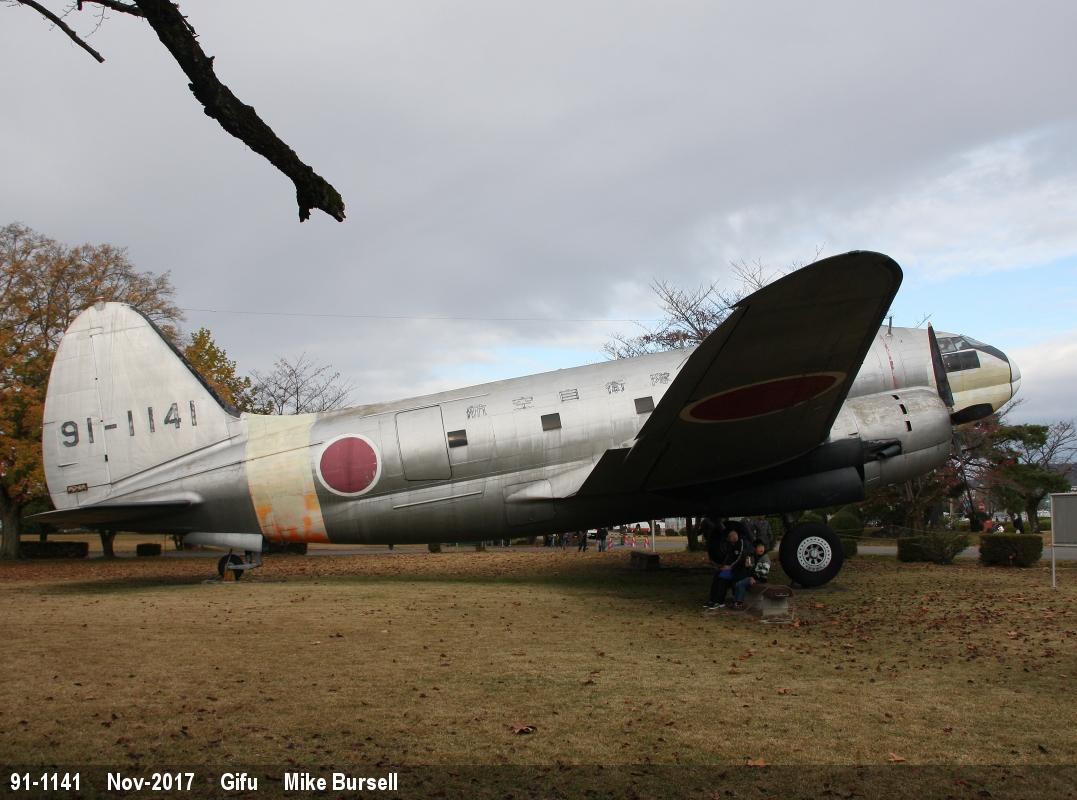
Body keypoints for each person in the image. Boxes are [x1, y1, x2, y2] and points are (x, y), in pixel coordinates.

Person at [704, 519, 746, 610]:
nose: (733, 538)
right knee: (717, 576)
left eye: (734, 535)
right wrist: (721, 566)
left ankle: (719, 601)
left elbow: (740, 559)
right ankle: (713, 600)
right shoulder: (730, 545)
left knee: (723, 578)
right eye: (730, 537)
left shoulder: (741, 543)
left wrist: (730, 567)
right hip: (730, 569)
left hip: (739, 570)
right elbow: (728, 558)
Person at [732, 540, 771, 609]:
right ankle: (736, 602)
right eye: (759, 547)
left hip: (760, 579)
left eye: (762, 547)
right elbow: (755, 569)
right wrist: (749, 566)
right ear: (755, 549)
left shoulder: (765, 558)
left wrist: (753, 577)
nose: (761, 549)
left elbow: (764, 571)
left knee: (741, 584)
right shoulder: (757, 557)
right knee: (738, 583)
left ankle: (739, 603)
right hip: (755, 578)